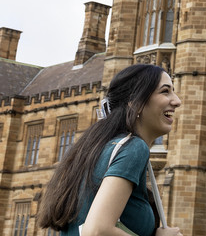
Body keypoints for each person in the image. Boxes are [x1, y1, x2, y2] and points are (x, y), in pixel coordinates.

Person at [37, 64, 183, 236]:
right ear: (136, 101)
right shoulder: (134, 147)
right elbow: (96, 231)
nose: (177, 101)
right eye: (165, 91)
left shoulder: (93, 149)